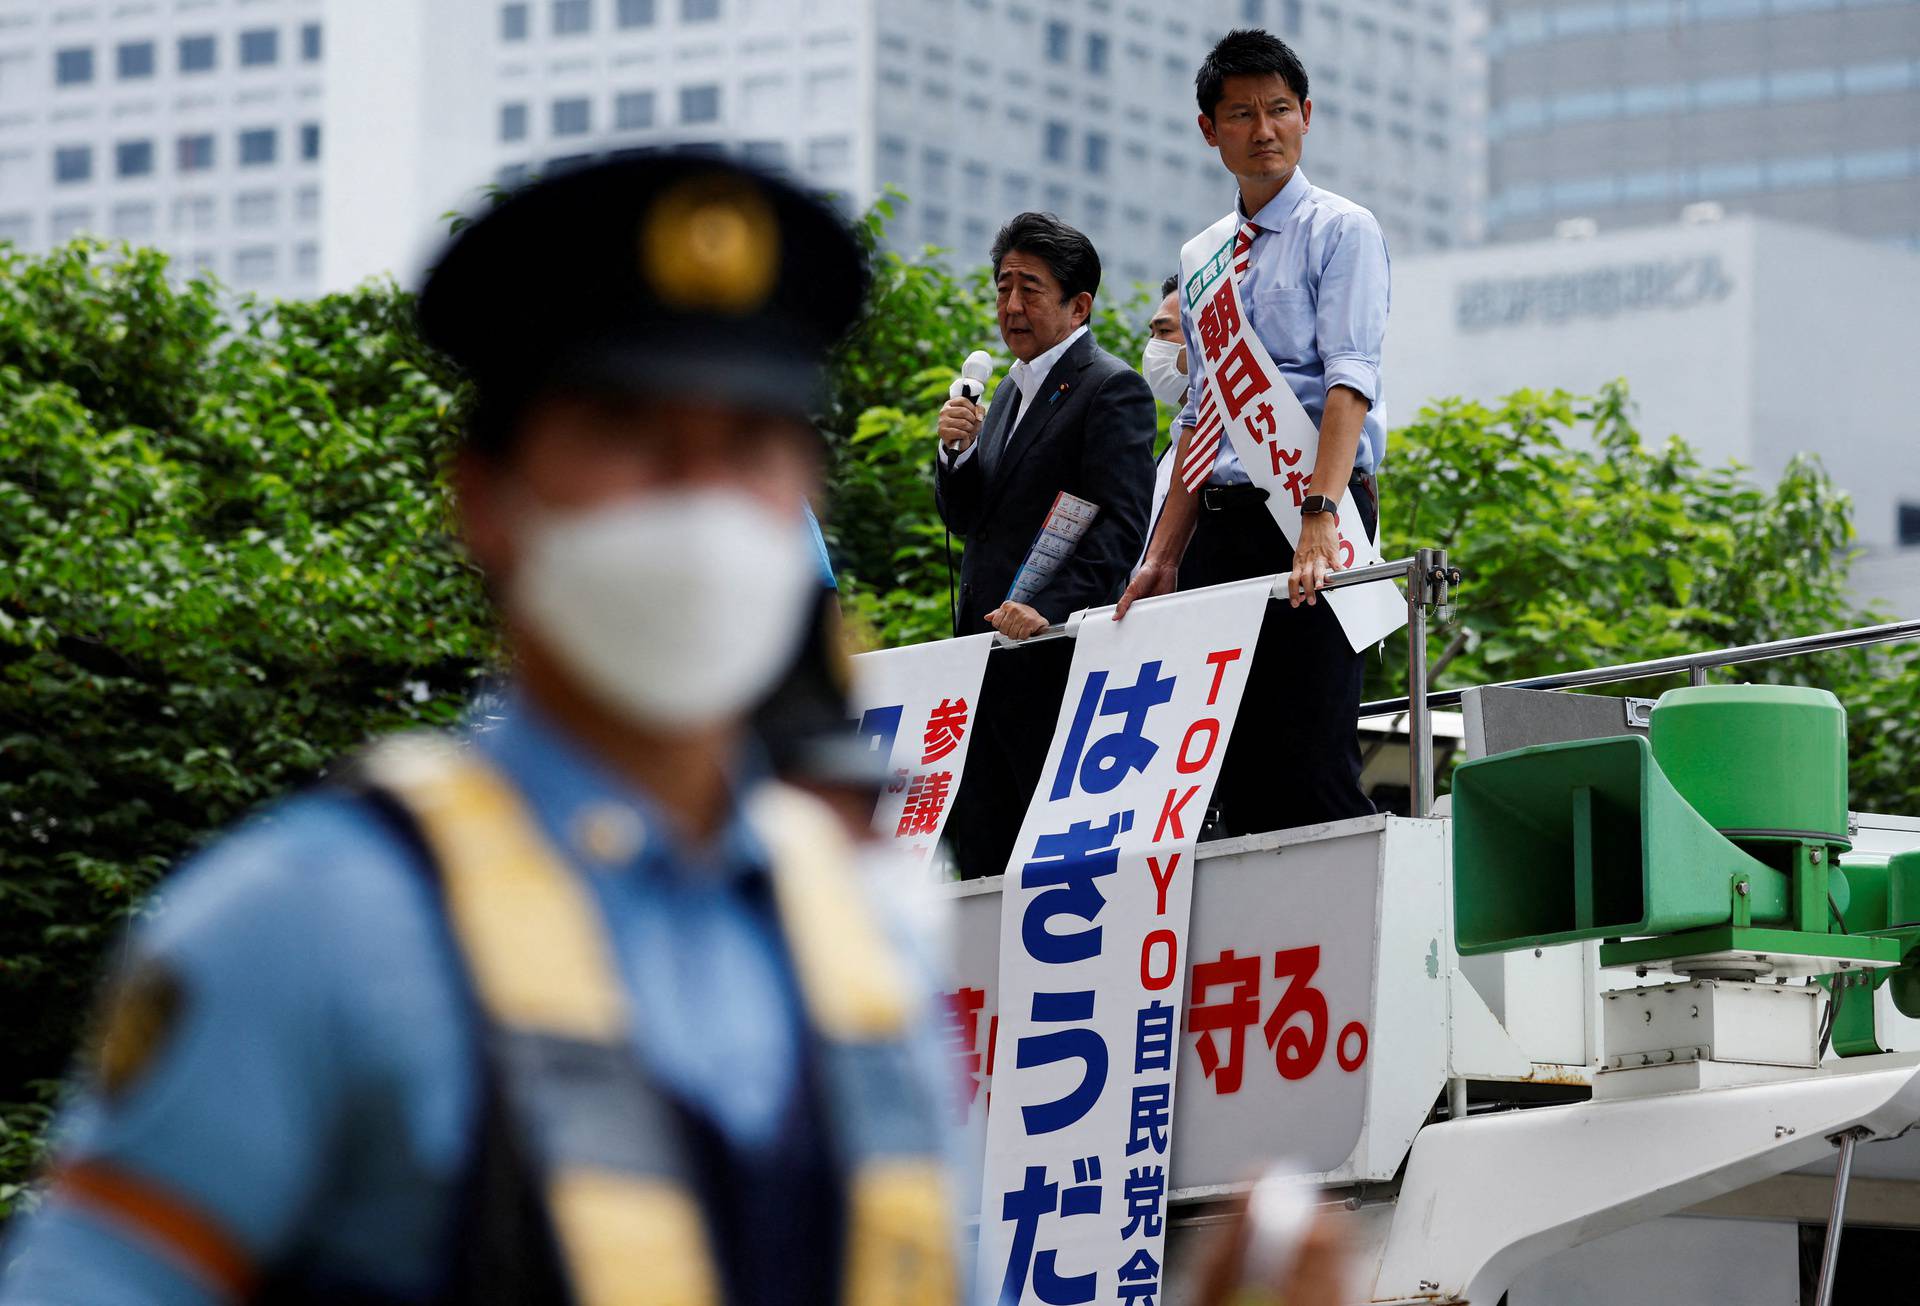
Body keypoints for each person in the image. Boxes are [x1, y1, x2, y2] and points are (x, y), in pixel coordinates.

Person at [0, 155, 961, 1305]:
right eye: (633, 435)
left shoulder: (867, 939)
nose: (698, 498)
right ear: (486, 497)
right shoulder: (300, 923)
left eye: (749, 445)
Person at [1118, 28, 1392, 837]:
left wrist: (1319, 520)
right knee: (1218, 766)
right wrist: (1162, 555)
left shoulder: (1345, 231)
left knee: (1309, 758)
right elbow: (1200, 415)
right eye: (1241, 114)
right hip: (1220, 528)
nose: (1263, 129)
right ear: (1210, 130)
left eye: (1279, 109)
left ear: (1306, 115)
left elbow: (1350, 382)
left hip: (1312, 512)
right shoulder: (1200, 256)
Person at [932, 211, 1155, 879]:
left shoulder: (1111, 387)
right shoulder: (1004, 392)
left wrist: (1050, 609)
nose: (1010, 306)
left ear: (1077, 304)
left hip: (1054, 662)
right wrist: (955, 454)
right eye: (1002, 287)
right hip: (982, 659)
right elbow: (970, 518)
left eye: (1030, 288)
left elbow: (1120, 525)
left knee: (1045, 866)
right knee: (980, 856)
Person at [1135, 273, 1190, 575]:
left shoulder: (1233, 445)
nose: (1152, 348)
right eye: (1151, 333)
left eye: (1165, 331)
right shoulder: (1169, 451)